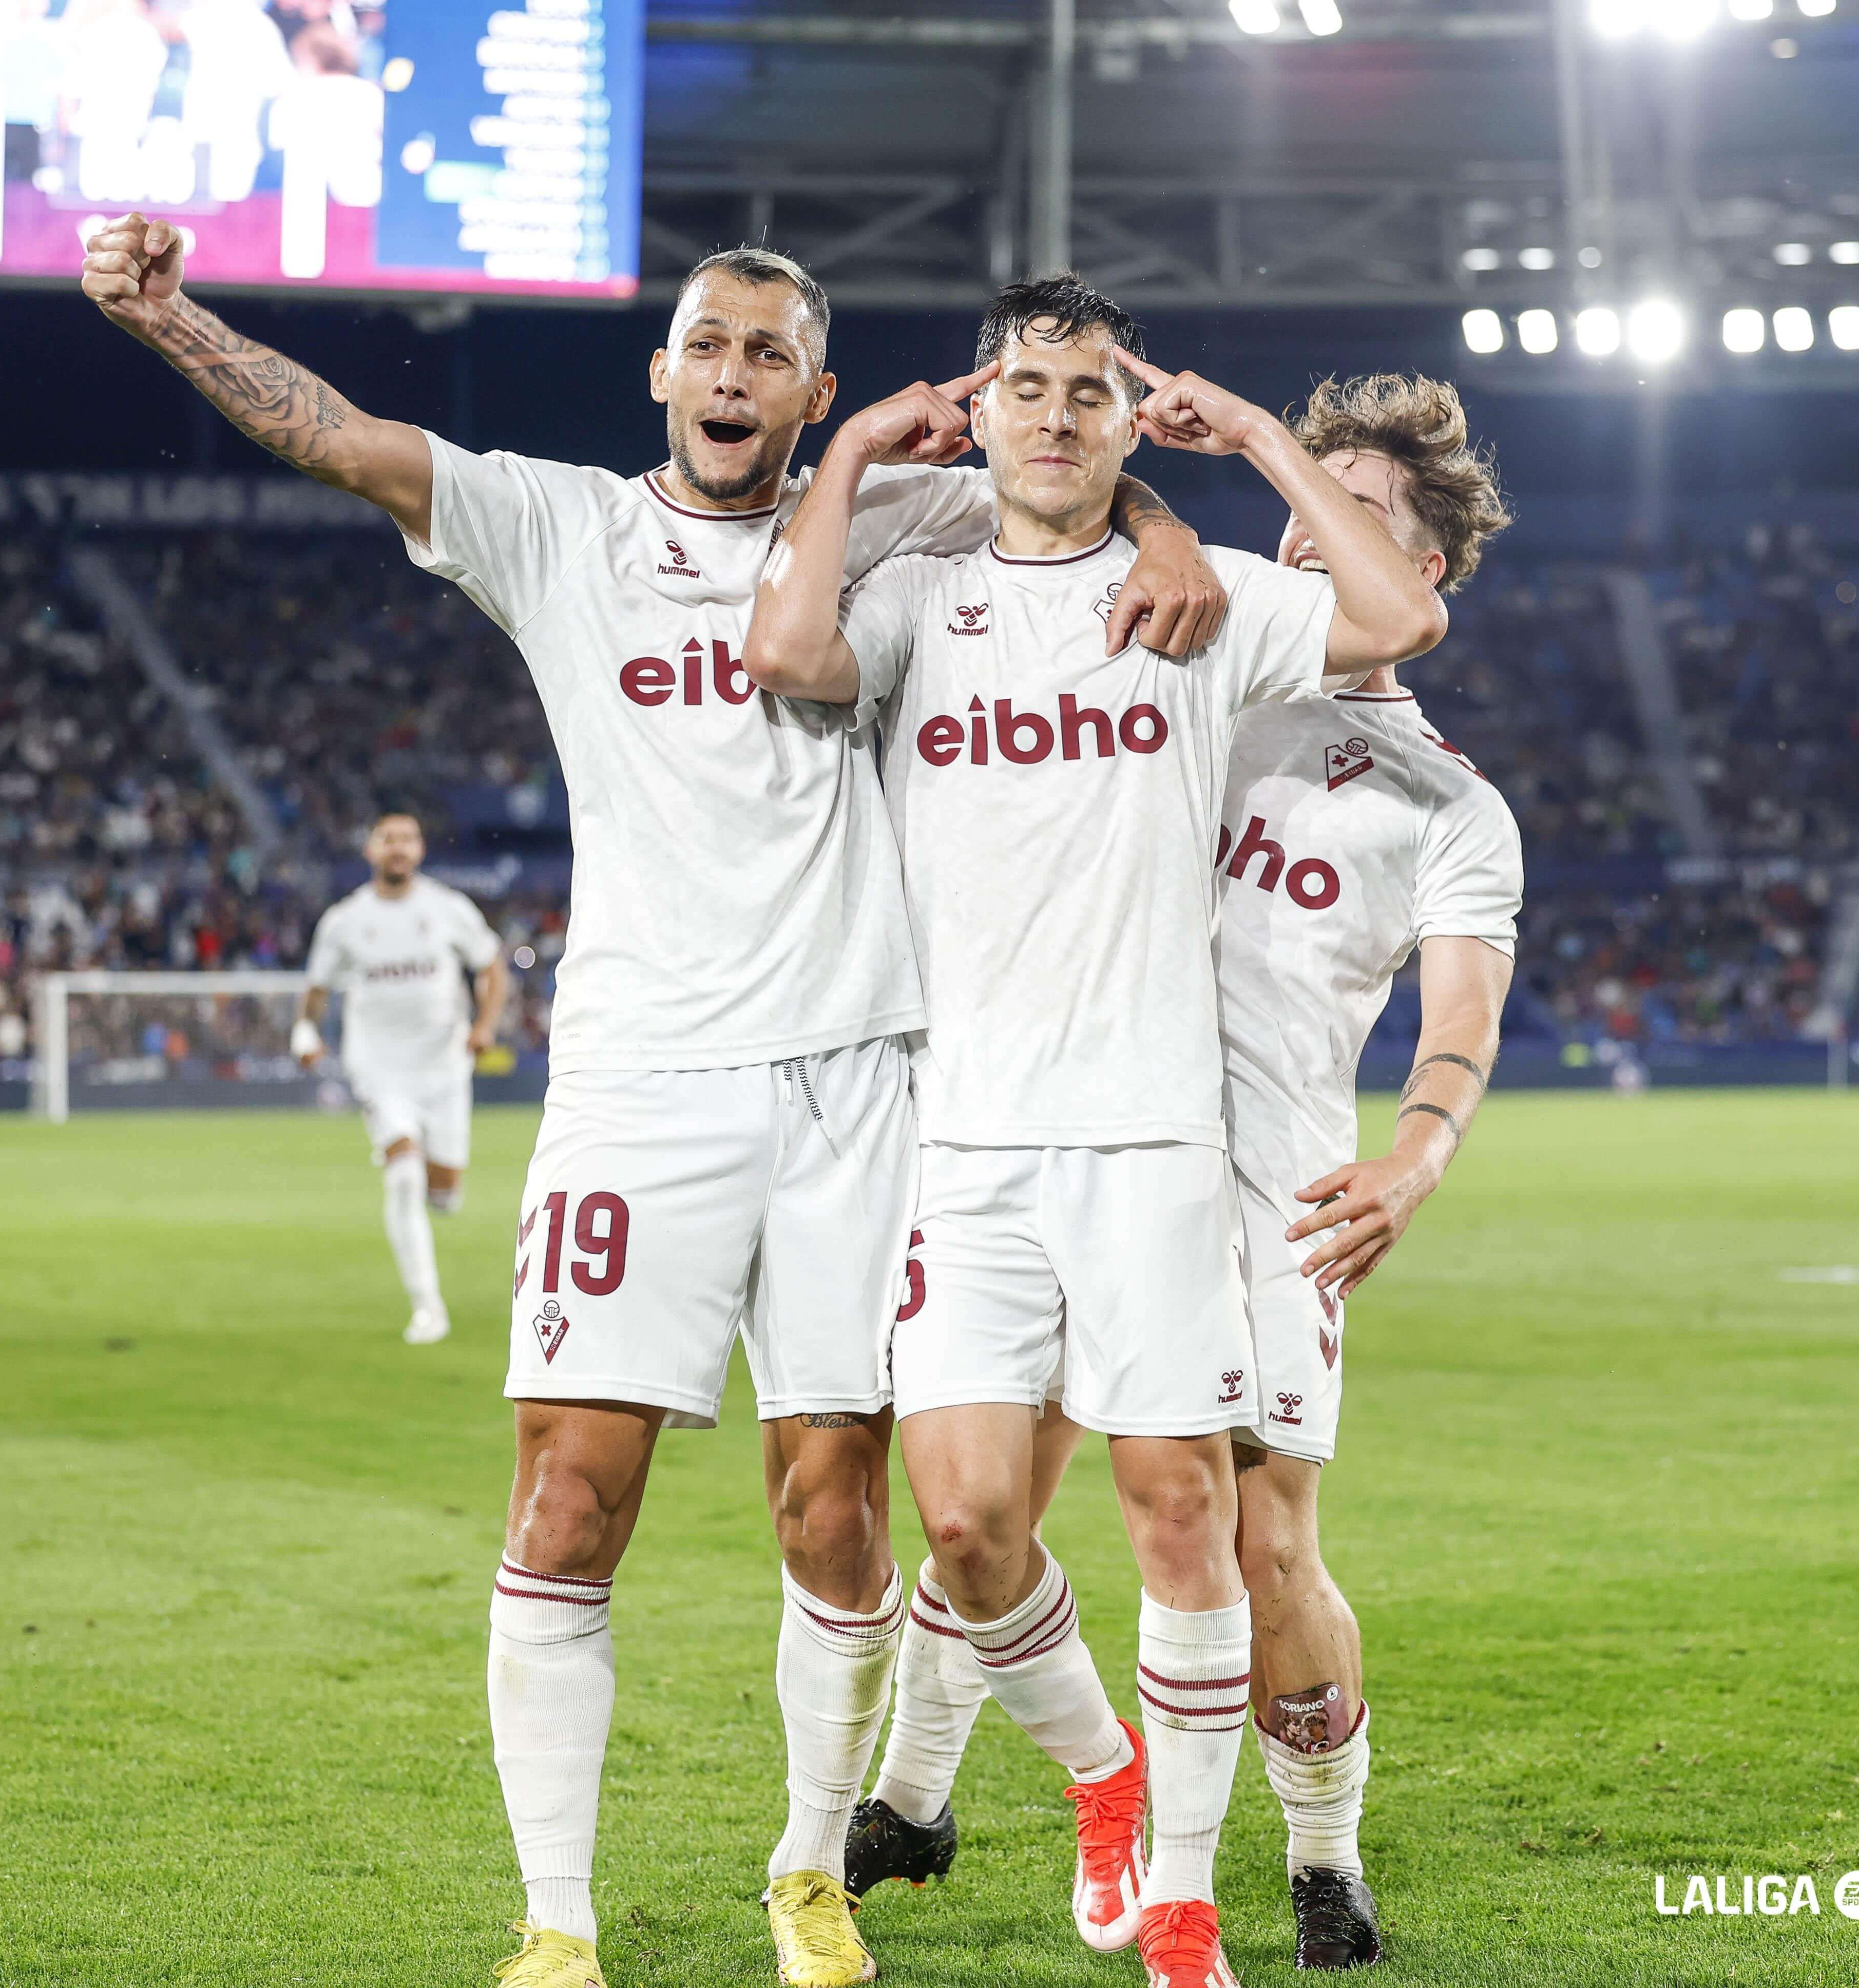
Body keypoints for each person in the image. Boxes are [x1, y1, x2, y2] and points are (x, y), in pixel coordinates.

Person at [79, 222, 1228, 1988]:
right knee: (566, 1498)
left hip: (863, 1080)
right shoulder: (560, 530)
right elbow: (337, 436)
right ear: (659, 372)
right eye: (705, 345)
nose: (729, 376)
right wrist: (165, 318)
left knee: (834, 1509)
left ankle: (805, 1873)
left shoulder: (897, 524)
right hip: (638, 1084)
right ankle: (554, 1922)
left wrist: (1159, 524)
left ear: (814, 395)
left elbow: (1064, 497)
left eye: (768, 355)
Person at [744, 279, 1448, 1988]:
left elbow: (1396, 624)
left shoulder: (1200, 618)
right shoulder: (915, 599)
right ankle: (1106, 1775)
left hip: (1150, 1146)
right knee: (972, 1529)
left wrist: (1253, 450)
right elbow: (777, 651)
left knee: (1172, 1513)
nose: (1053, 416)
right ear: (976, 412)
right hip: (967, 1145)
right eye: (1024, 390)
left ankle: (1187, 1906)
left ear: (1134, 421)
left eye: (1087, 394)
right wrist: (848, 445)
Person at [295, 811, 509, 1346]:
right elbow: (317, 988)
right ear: (370, 849)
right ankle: (428, 1307)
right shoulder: (345, 921)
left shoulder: (447, 908)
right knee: (404, 1176)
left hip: (444, 1067)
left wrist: (484, 1025)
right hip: (379, 1066)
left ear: (420, 848)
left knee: (444, 1194)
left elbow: (493, 966)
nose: (398, 847)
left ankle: (441, 1196)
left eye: (408, 838)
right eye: (388, 838)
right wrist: (306, 1030)